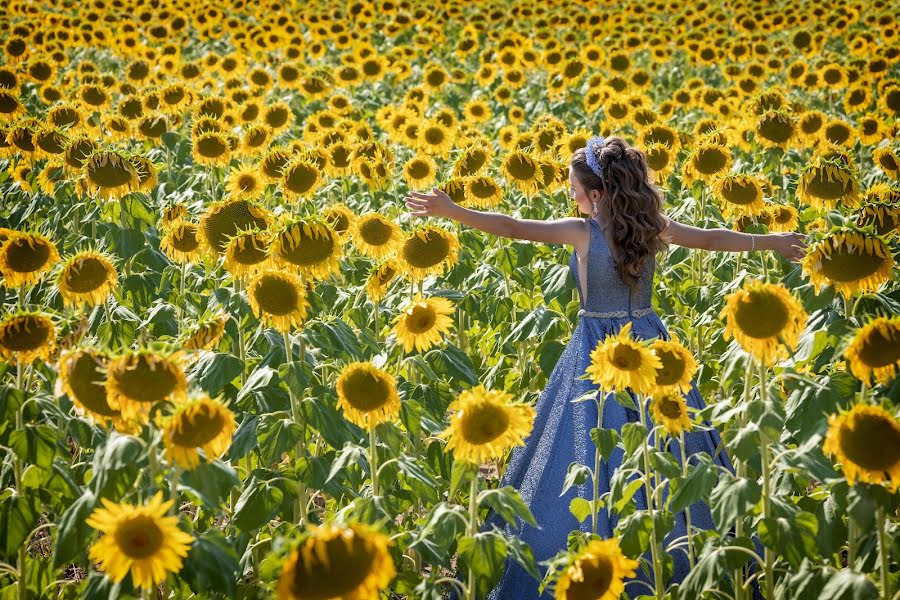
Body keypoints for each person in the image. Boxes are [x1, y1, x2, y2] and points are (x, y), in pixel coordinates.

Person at [403, 136, 806, 599]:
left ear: (595, 194)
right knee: (667, 449)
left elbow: (513, 227)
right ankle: (671, 558)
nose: (570, 196)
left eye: (574, 188)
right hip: (651, 345)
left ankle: (596, 555)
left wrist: (453, 211)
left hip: (597, 351)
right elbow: (712, 239)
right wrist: (771, 241)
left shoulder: (583, 232)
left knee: (586, 451)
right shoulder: (652, 227)